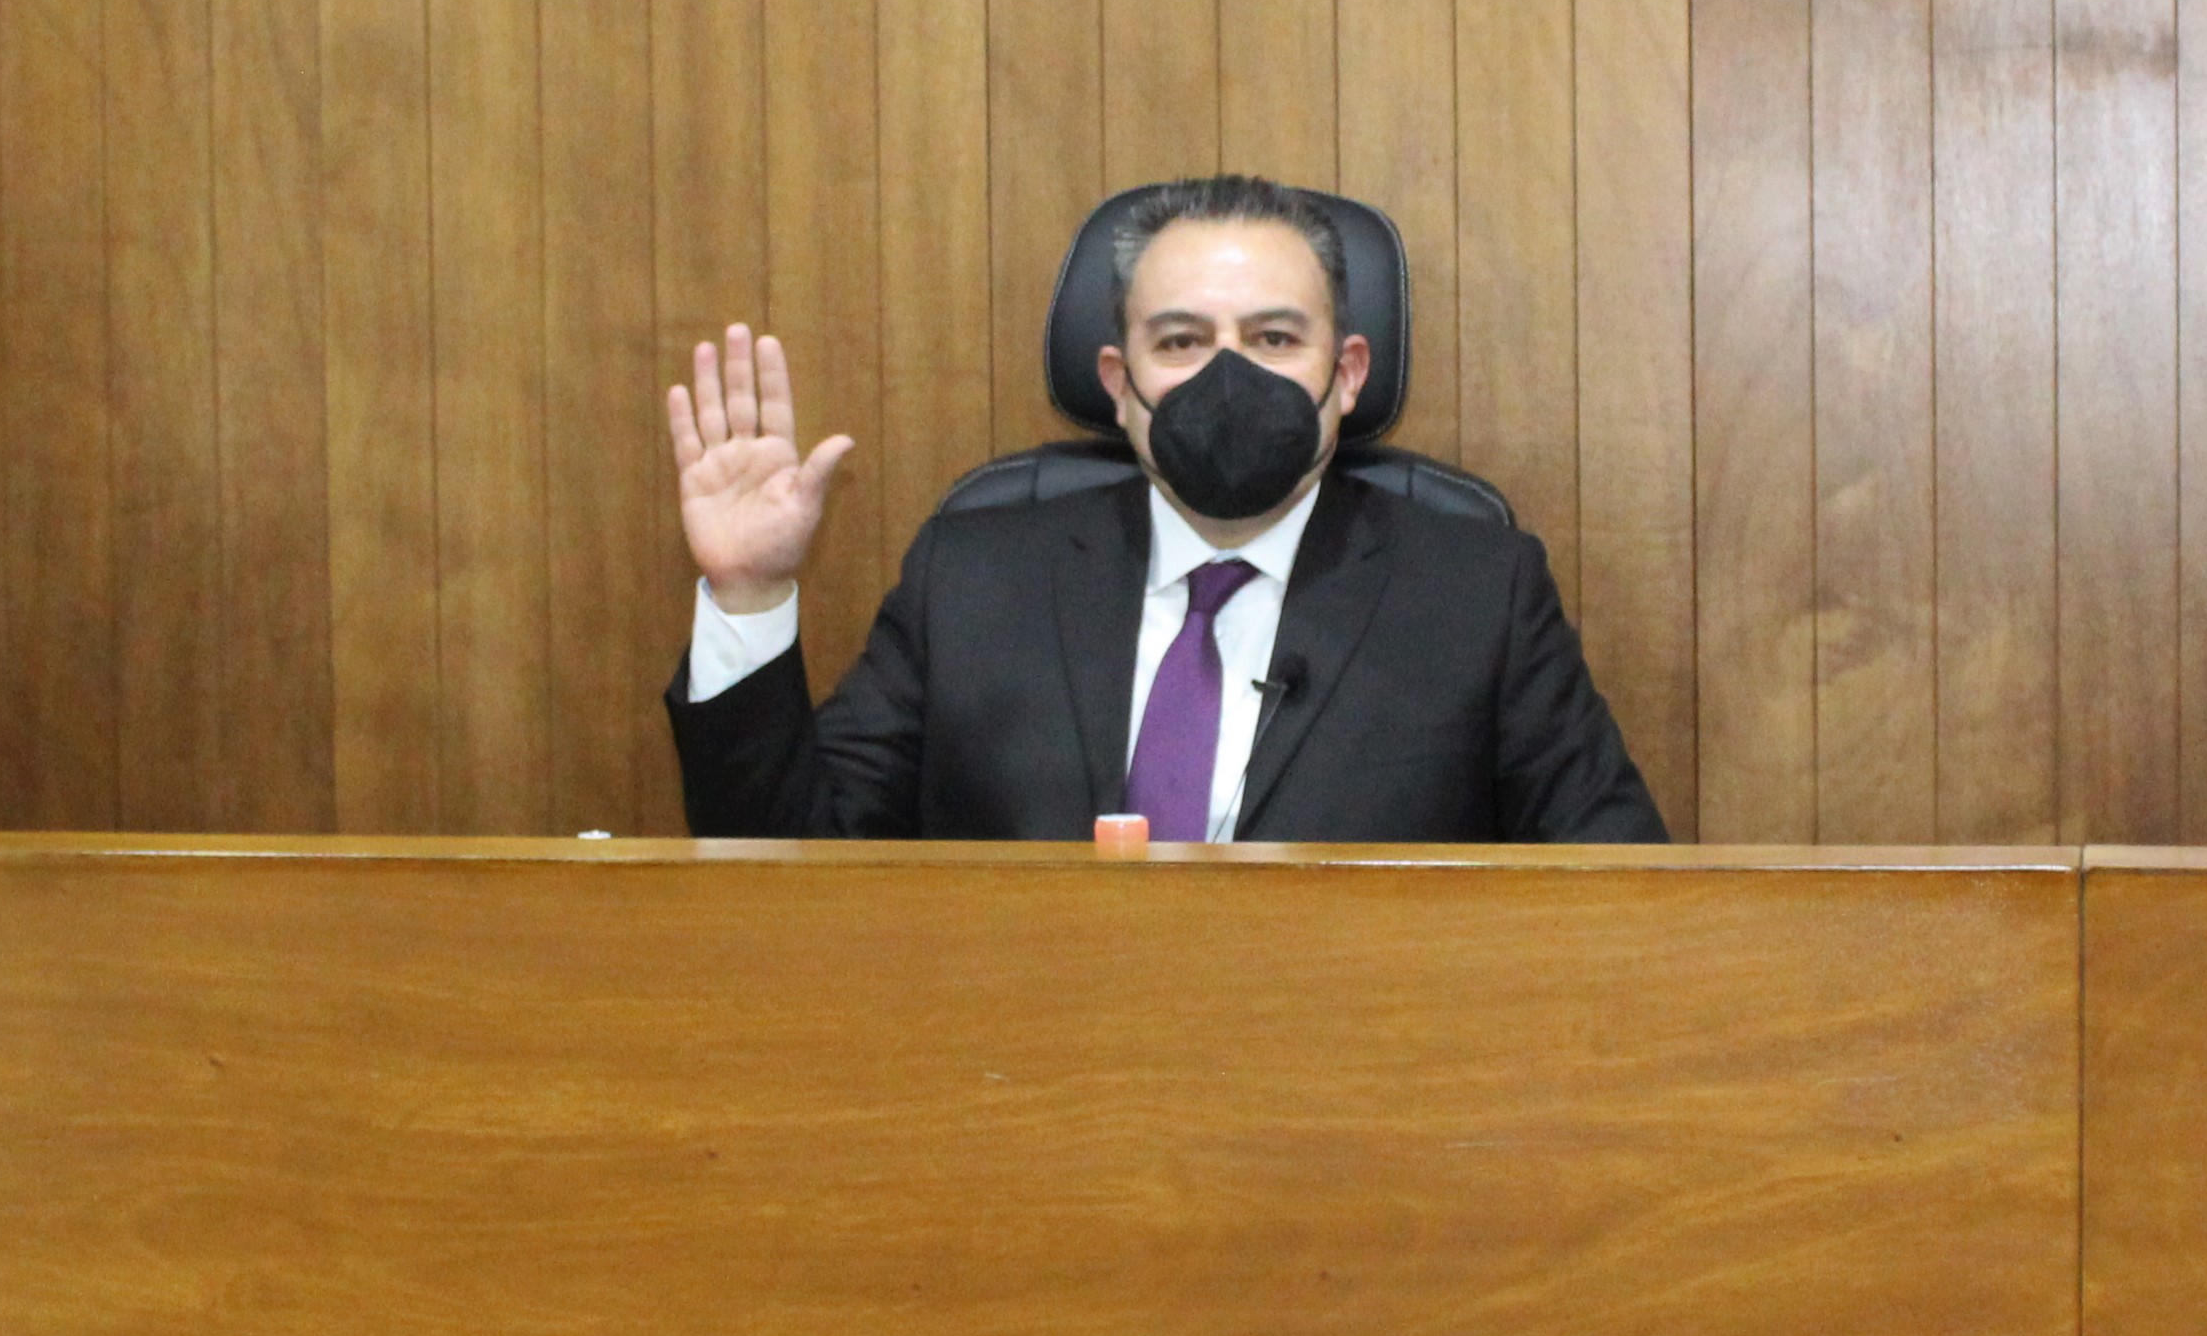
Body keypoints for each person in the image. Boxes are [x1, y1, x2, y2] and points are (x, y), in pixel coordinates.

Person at [663, 173, 1668, 842]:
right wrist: (749, 594)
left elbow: (1615, 889)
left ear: (1350, 373)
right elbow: (789, 866)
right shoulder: (969, 579)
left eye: (1274, 339)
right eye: (1182, 342)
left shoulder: (1475, 595)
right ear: (1118, 380)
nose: (1230, 378)